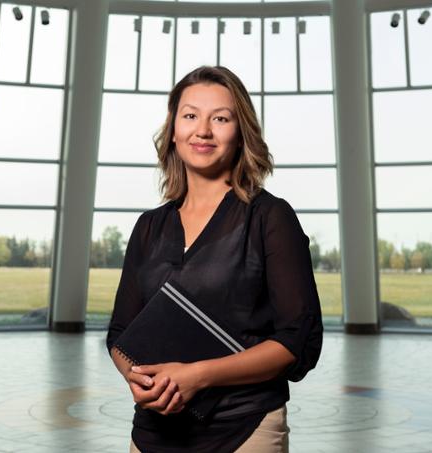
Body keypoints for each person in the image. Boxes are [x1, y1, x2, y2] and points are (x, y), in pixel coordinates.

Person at [106, 66, 323, 453]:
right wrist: (135, 379)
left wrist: (198, 376)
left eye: (220, 118)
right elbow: (121, 332)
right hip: (153, 431)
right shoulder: (148, 227)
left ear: (241, 134)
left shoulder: (270, 217)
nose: (202, 131)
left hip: (245, 428)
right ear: (173, 131)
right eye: (190, 116)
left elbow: (296, 339)